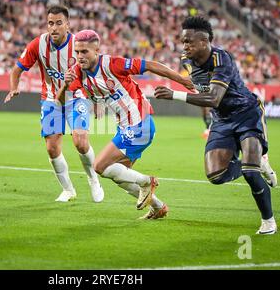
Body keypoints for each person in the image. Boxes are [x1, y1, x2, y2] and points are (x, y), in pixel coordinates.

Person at [154, 16, 278, 234]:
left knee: (250, 173)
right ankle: (258, 162)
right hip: (221, 119)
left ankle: (269, 221)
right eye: (183, 41)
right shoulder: (186, 59)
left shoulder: (222, 59)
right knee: (216, 175)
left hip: (246, 114)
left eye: (189, 41)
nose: (185, 46)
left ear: (204, 42)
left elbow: (214, 98)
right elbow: (203, 89)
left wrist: (175, 95)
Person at [59, 29, 194, 219]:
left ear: (96, 50)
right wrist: (66, 85)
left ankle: (148, 181)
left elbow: (150, 65)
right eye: (77, 52)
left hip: (140, 124)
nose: (80, 56)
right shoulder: (76, 73)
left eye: (85, 52)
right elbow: (60, 102)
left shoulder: (113, 64)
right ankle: (158, 207)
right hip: (126, 128)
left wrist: (181, 80)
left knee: (99, 166)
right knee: (119, 176)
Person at [4, 5, 104, 203]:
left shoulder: (79, 45)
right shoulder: (38, 44)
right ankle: (68, 190)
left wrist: (99, 99)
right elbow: (15, 70)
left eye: (59, 23)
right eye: (51, 23)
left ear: (67, 25)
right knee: (51, 148)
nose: (54, 28)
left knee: (80, 142)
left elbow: (95, 72)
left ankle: (93, 179)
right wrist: (13, 87)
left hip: (77, 97)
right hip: (51, 99)